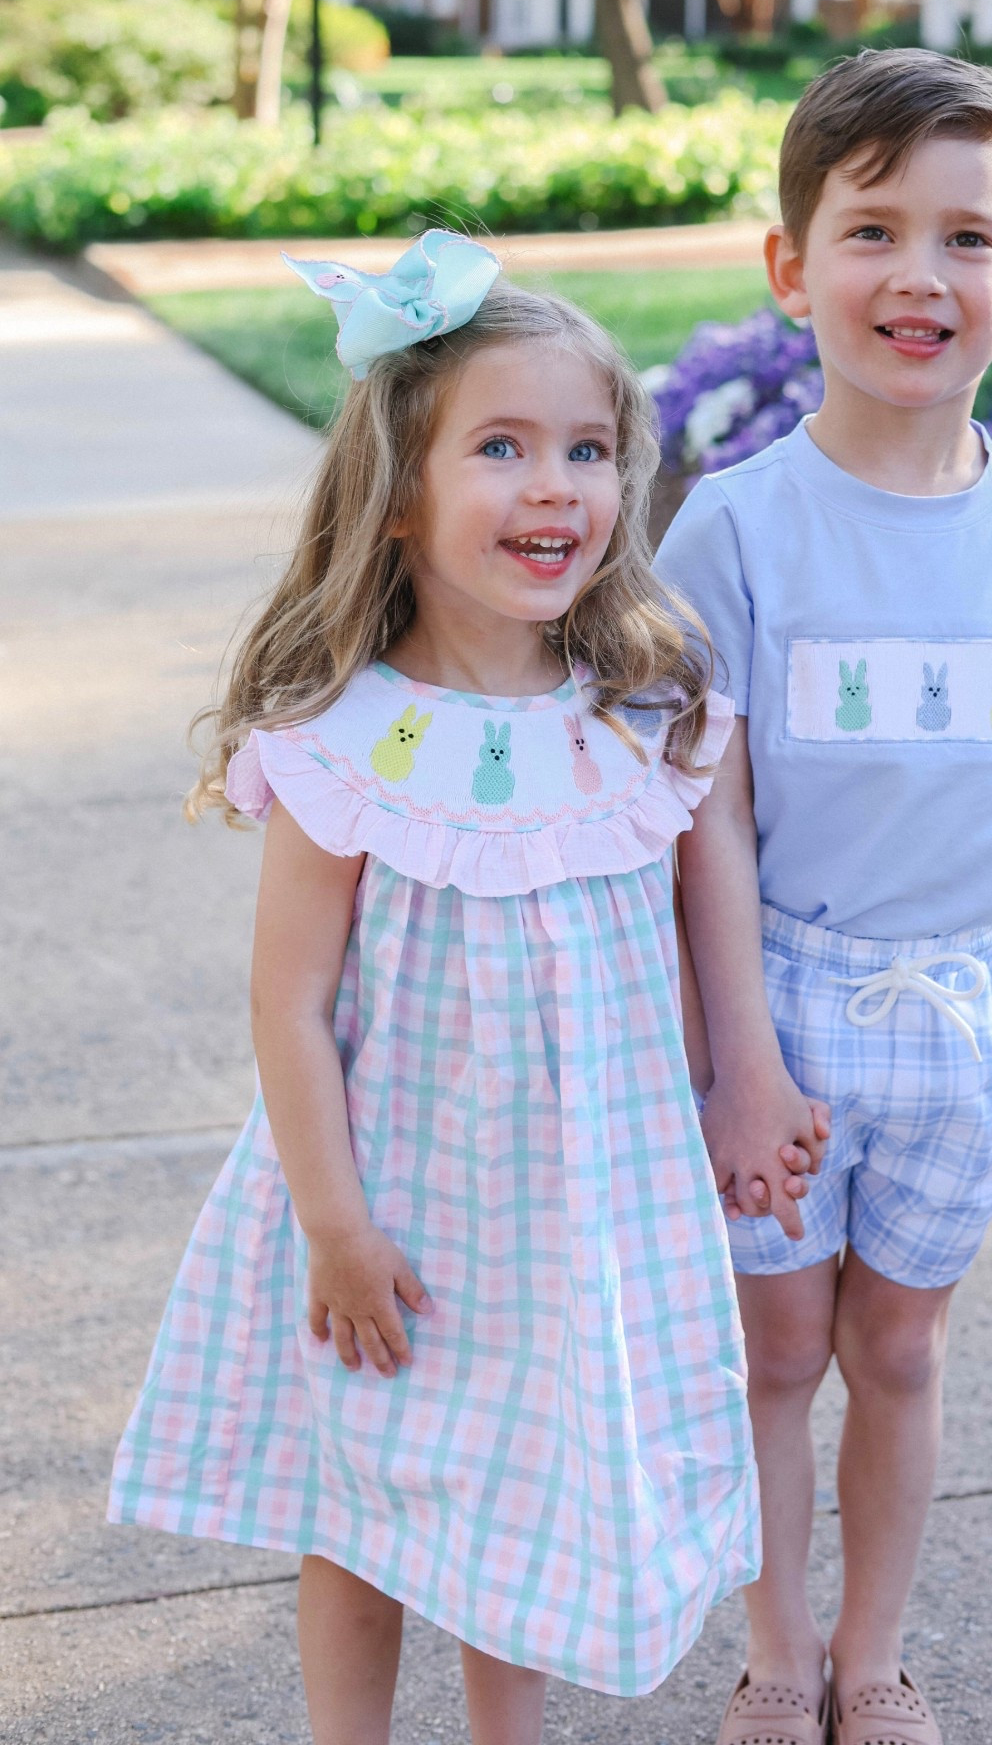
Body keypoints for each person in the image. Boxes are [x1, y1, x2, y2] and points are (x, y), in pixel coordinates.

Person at [108, 233, 810, 1745]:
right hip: (396, 1208)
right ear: (399, 492)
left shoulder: (644, 716)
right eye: (501, 448)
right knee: (358, 1507)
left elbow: (700, 932)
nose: (555, 485)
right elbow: (289, 1005)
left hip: (577, 1211)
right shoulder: (346, 739)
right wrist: (335, 1227)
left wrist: (737, 1091)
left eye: (586, 450)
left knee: (531, 1506)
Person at [654, 49, 992, 1745]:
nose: (917, 276)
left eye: (965, 238)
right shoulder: (736, 529)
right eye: (870, 230)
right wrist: (735, 1057)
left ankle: (871, 1657)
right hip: (781, 1004)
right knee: (776, 1355)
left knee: (897, 1351)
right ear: (789, 264)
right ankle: (776, 1651)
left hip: (965, 1010)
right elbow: (706, 813)